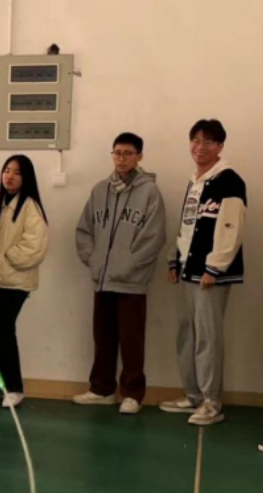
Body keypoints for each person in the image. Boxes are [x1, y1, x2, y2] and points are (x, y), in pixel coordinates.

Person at [160, 119, 246, 426]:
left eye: (208, 142)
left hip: (210, 275)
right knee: (187, 334)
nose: (200, 147)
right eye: (195, 140)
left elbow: (231, 227)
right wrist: (174, 259)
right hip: (188, 270)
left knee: (208, 338)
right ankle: (193, 395)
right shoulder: (195, 181)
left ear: (220, 146)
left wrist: (215, 267)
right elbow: (186, 226)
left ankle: (212, 402)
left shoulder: (229, 180)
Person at [73, 133, 167, 415]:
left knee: (131, 340)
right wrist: (92, 260)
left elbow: (154, 237)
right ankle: (102, 389)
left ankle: (132, 394)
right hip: (102, 280)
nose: (121, 159)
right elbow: (84, 230)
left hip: (131, 282)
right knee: (103, 338)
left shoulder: (149, 192)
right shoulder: (99, 190)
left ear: (139, 156)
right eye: (117, 153)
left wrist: (128, 265)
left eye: (128, 153)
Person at [0, 155, 50, 409]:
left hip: (15, 280)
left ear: (26, 177)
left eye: (17, 172)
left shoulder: (30, 207)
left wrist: (7, 257)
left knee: (2, 331)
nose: (9, 176)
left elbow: (36, 246)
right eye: (6, 170)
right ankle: (2, 383)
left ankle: (15, 387)